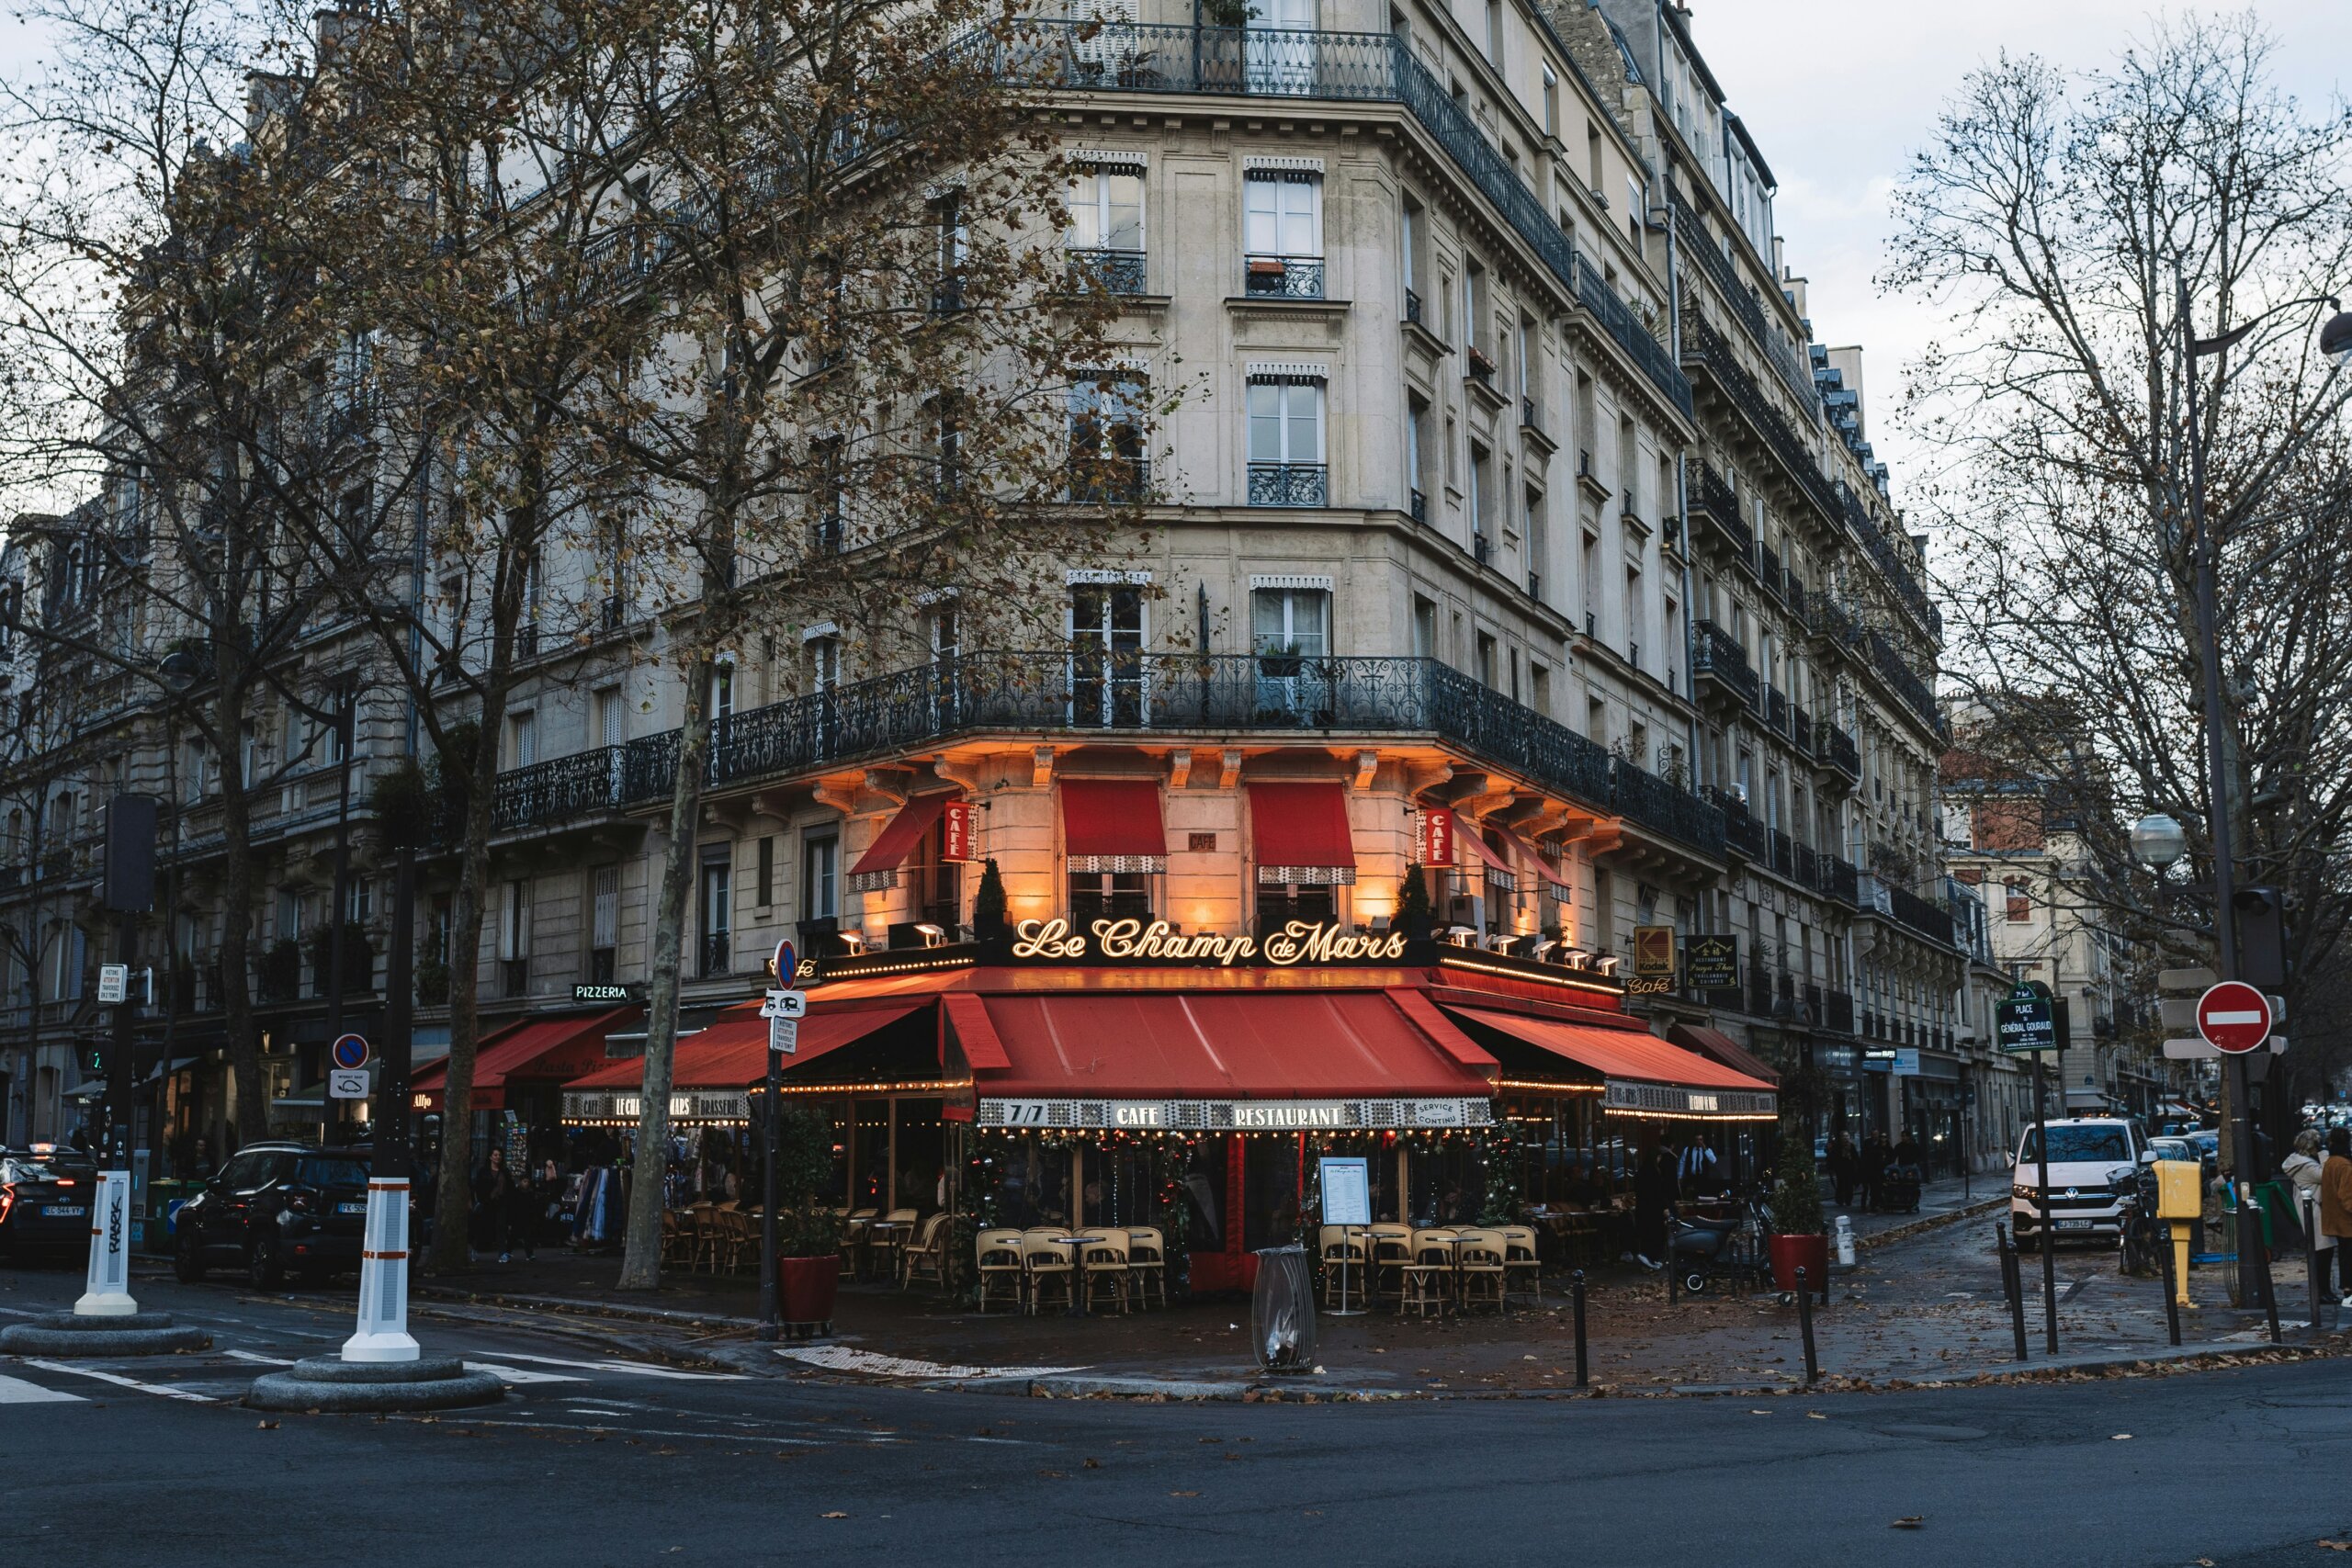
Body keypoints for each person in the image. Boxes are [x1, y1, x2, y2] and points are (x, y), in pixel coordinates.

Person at [1632, 1144, 1675, 1270]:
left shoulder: (1642, 1172)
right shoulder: (1654, 1173)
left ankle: (1651, 1258)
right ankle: (1650, 1257)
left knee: (1649, 1234)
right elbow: (1658, 1192)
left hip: (1645, 1208)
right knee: (1655, 1234)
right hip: (1653, 1209)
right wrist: (1664, 1207)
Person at [2322, 1127, 2352, 1303]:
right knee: (2348, 1255)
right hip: (2346, 1220)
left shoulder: (2331, 1162)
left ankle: (2347, 1289)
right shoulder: (2344, 1165)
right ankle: (2348, 1290)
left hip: (2336, 1217)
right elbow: (2347, 1196)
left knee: (2345, 1255)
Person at [1829, 1134, 1859, 1209]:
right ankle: (1840, 1200)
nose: (1845, 1138)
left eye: (1847, 1136)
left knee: (1849, 1185)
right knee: (1841, 1184)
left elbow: (1855, 1156)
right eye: (1843, 1136)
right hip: (1841, 1169)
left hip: (1850, 1168)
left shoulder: (1851, 1146)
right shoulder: (1838, 1146)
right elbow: (1834, 1157)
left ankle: (1848, 1200)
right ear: (1841, 1138)